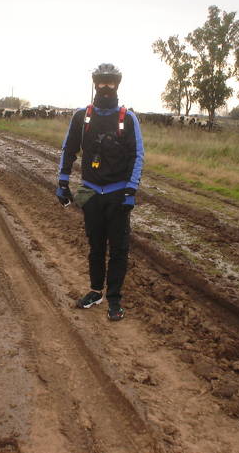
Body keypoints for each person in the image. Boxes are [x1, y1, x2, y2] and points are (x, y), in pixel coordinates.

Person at [56, 63, 144, 321]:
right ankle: (96, 291)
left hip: (118, 194)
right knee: (95, 247)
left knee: (118, 249)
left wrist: (131, 190)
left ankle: (114, 300)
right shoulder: (81, 116)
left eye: (111, 82)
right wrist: (62, 183)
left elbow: (137, 155)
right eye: (101, 82)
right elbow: (68, 149)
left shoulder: (127, 118)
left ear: (117, 84)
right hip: (91, 192)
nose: (106, 87)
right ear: (95, 84)